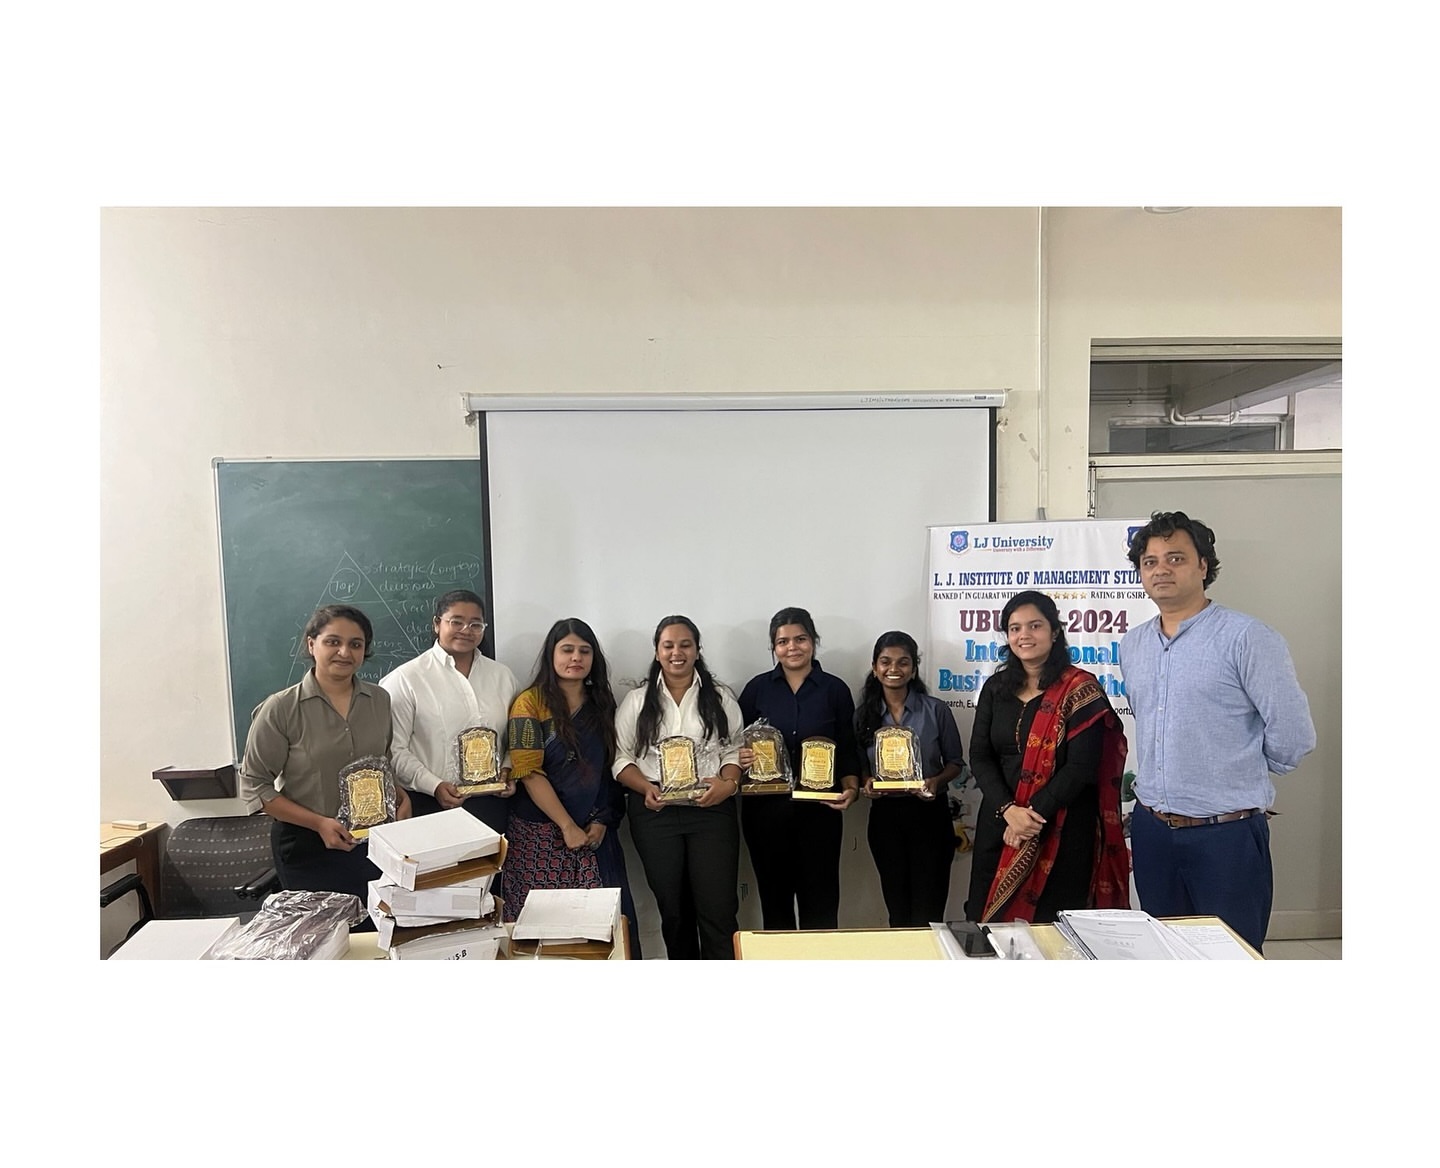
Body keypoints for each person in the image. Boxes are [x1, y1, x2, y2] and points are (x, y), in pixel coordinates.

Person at [1121, 511, 1315, 953]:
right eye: (1150, 562)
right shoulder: (1133, 645)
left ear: (1203, 566)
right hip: (1153, 832)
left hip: (1225, 836)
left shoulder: (1247, 637)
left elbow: (1293, 734)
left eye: (1175, 558)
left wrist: (1238, 772)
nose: (1161, 570)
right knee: (1166, 955)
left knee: (1232, 959)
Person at [967, 591, 1130, 924]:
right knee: (987, 921)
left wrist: (1029, 818)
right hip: (1000, 819)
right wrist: (1010, 811)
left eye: (1035, 626)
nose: (1024, 635)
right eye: (1015, 628)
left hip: (1062, 824)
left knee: (1052, 926)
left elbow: (1081, 767)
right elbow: (980, 756)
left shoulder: (1080, 689)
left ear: (1054, 632)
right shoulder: (996, 688)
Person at [239, 604, 412, 906]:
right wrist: (319, 823)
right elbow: (255, 786)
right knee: (326, 933)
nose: (344, 652)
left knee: (377, 926)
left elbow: (381, 765)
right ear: (311, 644)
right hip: (309, 847)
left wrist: (400, 796)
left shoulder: (380, 700)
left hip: (374, 843)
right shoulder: (281, 708)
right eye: (333, 641)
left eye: (355, 644)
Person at [504, 618, 642, 958]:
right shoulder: (529, 703)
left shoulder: (603, 705)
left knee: (608, 931)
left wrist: (602, 820)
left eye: (584, 651)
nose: (576, 658)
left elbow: (611, 767)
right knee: (543, 936)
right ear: (551, 655)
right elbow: (528, 771)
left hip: (596, 835)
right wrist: (567, 826)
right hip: (539, 835)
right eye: (567, 650)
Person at [614, 615, 743, 960]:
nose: (677, 653)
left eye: (685, 645)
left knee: (718, 910)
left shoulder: (720, 697)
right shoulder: (637, 701)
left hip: (711, 811)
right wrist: (645, 788)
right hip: (655, 814)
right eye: (668, 645)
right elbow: (621, 758)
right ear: (657, 651)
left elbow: (734, 750)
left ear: (697, 650)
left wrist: (728, 785)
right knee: (674, 912)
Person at [736, 607, 860, 930]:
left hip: (820, 814)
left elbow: (847, 748)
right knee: (775, 905)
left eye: (800, 639)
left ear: (813, 641)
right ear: (774, 647)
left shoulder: (835, 690)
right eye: (783, 641)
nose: (792, 647)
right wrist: (741, 758)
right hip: (765, 815)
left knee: (821, 906)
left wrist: (851, 788)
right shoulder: (756, 690)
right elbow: (734, 745)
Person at [378, 589, 519, 835]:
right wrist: (434, 786)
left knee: (492, 862)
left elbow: (515, 738)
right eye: (456, 622)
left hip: (492, 805)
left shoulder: (503, 676)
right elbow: (394, 750)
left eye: (475, 624)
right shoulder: (406, 679)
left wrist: (508, 771)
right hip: (430, 805)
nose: (466, 630)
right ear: (437, 624)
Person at [854, 631, 965, 928]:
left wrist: (936, 781)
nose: (894, 668)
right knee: (898, 910)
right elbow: (861, 765)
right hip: (886, 818)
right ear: (875, 668)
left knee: (929, 911)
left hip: (929, 815)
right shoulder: (863, 716)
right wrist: (867, 782)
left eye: (903, 662)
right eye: (885, 661)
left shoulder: (936, 710)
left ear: (913, 669)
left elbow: (955, 763)